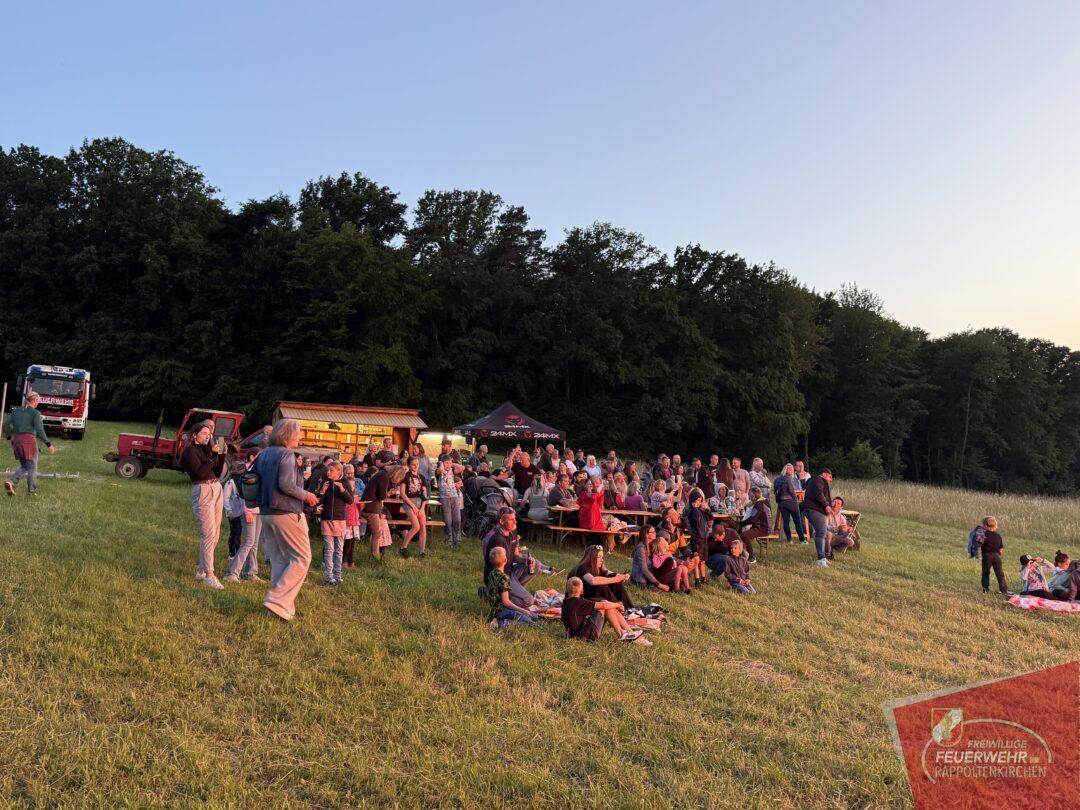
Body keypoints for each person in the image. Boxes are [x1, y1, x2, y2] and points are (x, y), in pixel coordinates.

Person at [253, 419, 319, 621]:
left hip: (266, 511)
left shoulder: (264, 453)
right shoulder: (286, 454)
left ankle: (281, 607)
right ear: (287, 435)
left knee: (279, 559)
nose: (300, 438)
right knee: (301, 557)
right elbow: (286, 485)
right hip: (285, 511)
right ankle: (277, 600)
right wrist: (307, 495)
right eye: (298, 434)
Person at [179, 420, 227, 589]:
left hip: (216, 488)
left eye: (209, 434)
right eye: (205, 433)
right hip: (203, 490)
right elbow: (200, 473)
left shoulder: (205, 450)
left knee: (215, 534)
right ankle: (210, 575)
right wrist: (212, 457)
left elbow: (217, 473)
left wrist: (221, 455)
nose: (208, 436)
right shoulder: (189, 451)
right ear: (194, 435)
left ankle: (201, 569)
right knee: (208, 534)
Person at [561, 576, 649, 644]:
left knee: (606, 604)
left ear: (567, 590)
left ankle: (629, 633)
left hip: (576, 634)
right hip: (586, 636)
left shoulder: (567, 601)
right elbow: (603, 605)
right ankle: (622, 634)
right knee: (605, 607)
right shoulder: (579, 602)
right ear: (582, 591)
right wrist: (618, 604)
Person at [4, 391, 56, 497]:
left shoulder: (15, 412)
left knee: (25, 465)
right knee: (32, 467)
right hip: (29, 442)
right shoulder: (35, 413)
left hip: (16, 441)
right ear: (34, 400)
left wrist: (9, 437)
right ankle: (28, 490)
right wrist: (49, 444)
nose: (38, 403)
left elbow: (5, 425)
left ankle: (12, 484)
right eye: (38, 401)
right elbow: (40, 431)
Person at [317, 461, 353, 584]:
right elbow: (318, 502)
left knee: (339, 550)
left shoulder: (345, 483)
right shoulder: (325, 482)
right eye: (328, 470)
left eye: (331, 470)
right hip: (326, 519)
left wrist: (342, 489)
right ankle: (329, 577)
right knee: (329, 549)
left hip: (340, 520)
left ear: (339, 471)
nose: (328, 473)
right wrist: (322, 491)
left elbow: (350, 500)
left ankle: (338, 576)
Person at [360, 464, 406, 559]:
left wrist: (388, 493)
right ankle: (375, 557)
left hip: (370, 506)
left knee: (377, 532)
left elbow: (379, 494)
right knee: (377, 533)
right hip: (371, 508)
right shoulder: (384, 477)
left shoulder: (382, 474)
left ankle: (376, 555)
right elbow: (381, 496)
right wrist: (388, 493)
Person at [485, 546, 536, 629]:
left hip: (494, 611)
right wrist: (522, 610)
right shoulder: (504, 578)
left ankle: (502, 620)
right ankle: (501, 623)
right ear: (505, 560)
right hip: (502, 611)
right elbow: (506, 602)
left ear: (491, 561)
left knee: (533, 616)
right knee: (530, 622)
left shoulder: (491, 574)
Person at [568, 545, 634, 609]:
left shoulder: (598, 566)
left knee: (614, 580)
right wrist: (616, 579)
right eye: (599, 557)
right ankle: (619, 607)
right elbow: (592, 581)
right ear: (591, 557)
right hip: (583, 597)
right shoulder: (583, 567)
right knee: (601, 584)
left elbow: (608, 573)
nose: (602, 560)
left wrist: (621, 576)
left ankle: (629, 608)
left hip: (593, 594)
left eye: (602, 557)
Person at [802, 468, 834, 567]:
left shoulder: (816, 481)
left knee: (822, 532)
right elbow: (819, 494)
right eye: (830, 477)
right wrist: (826, 505)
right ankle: (820, 559)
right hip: (815, 510)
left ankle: (823, 557)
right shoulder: (818, 480)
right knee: (821, 533)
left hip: (815, 510)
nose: (830, 480)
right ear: (824, 474)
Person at [399, 456, 429, 558]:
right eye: (413, 464)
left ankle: (422, 551)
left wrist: (422, 508)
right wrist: (413, 507)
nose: (416, 466)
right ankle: (403, 547)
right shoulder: (405, 476)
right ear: (409, 465)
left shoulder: (421, 477)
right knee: (416, 526)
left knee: (423, 527)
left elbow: (424, 494)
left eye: (417, 464)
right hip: (409, 502)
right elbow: (402, 494)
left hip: (420, 502)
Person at [684, 488, 711, 586]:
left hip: (704, 538)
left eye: (701, 500)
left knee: (703, 560)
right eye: (698, 500)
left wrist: (707, 509)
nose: (700, 502)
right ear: (693, 501)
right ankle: (697, 580)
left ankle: (703, 578)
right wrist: (695, 508)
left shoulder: (702, 511)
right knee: (697, 559)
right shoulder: (691, 511)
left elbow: (710, 518)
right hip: (696, 539)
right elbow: (695, 520)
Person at [773, 464, 806, 544]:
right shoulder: (788, 478)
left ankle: (789, 540)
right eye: (790, 470)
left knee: (786, 522)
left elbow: (775, 492)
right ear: (786, 470)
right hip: (791, 502)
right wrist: (796, 500)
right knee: (797, 522)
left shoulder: (777, 479)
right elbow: (791, 491)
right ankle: (802, 540)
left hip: (782, 503)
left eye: (792, 470)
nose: (792, 471)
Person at [737, 486, 770, 564]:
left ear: (753, 496)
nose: (749, 498)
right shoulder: (765, 501)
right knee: (743, 533)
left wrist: (741, 524)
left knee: (744, 535)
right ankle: (743, 553)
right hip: (765, 527)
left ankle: (751, 557)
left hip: (763, 529)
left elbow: (752, 519)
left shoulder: (759, 504)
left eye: (750, 496)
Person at [435, 457, 463, 548]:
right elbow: (440, 470)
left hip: (454, 497)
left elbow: (461, 467)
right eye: (446, 463)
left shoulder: (452, 470)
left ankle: (457, 540)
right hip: (445, 498)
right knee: (447, 521)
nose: (448, 465)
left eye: (449, 463)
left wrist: (451, 463)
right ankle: (448, 540)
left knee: (457, 519)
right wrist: (441, 464)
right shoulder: (438, 471)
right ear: (442, 463)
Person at [630, 525, 668, 591]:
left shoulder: (651, 545)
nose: (655, 533)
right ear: (646, 535)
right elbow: (644, 569)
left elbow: (665, 555)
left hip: (650, 575)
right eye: (653, 532)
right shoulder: (641, 548)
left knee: (669, 561)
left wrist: (681, 562)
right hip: (640, 578)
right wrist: (659, 585)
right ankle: (655, 585)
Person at [221, 463, 246, 562]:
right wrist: (229, 512)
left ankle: (237, 553)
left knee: (239, 533)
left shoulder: (241, 482)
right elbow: (225, 499)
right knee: (234, 533)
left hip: (240, 512)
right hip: (233, 513)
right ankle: (232, 555)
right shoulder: (230, 483)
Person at [979, 516, 1007, 594]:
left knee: (986, 572)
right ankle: (1004, 590)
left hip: (987, 556)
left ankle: (985, 589)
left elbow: (979, 544)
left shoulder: (983, 534)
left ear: (985, 525)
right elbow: (1001, 549)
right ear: (995, 526)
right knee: (1000, 574)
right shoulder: (998, 536)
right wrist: (997, 554)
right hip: (997, 556)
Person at [342, 464, 363, 568]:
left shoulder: (356, 496)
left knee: (353, 543)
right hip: (347, 522)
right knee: (347, 543)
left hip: (355, 521)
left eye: (353, 486)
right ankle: (344, 561)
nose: (352, 488)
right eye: (350, 486)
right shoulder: (345, 496)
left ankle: (351, 561)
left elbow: (359, 509)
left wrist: (361, 504)